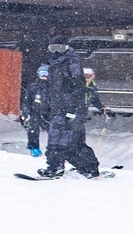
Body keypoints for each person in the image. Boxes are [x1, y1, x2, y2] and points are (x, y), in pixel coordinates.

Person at [38, 42, 100, 177]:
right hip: (58, 108)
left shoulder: (72, 63)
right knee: (64, 140)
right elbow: (52, 90)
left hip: (68, 108)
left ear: (66, 47)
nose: (56, 51)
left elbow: (78, 87)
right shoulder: (54, 65)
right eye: (52, 48)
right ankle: (65, 166)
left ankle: (82, 167)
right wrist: (46, 108)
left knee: (66, 140)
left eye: (59, 48)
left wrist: (75, 110)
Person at [20, 64, 50, 156]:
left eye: (46, 74)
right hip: (35, 112)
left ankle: (56, 151)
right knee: (33, 129)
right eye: (42, 74)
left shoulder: (53, 87)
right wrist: (26, 112)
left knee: (54, 132)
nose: (44, 76)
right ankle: (34, 148)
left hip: (49, 113)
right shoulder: (33, 86)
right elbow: (26, 100)